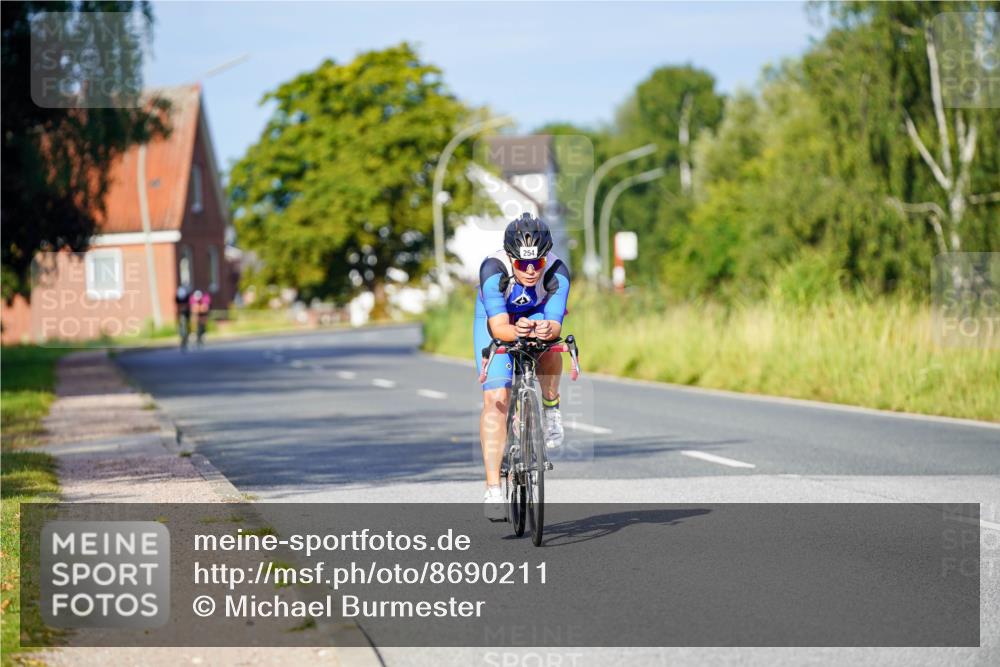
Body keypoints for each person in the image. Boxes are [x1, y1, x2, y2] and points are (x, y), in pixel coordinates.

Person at [475, 213, 570, 520]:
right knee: (496, 400)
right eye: (522, 264)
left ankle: (551, 409)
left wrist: (544, 330)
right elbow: (500, 327)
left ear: (546, 258)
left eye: (537, 263)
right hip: (498, 321)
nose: (530, 271)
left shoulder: (558, 272)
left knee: (551, 347)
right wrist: (518, 331)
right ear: (510, 257)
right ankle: (493, 488)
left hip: (537, 313)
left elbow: (554, 323)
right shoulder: (493, 270)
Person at [175, 284, 192, 350]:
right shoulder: (178, 297)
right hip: (181, 314)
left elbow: (188, 304)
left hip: (186, 314)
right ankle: (183, 339)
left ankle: (186, 338)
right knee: (182, 327)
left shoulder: (187, 296)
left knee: (187, 326)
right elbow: (177, 304)